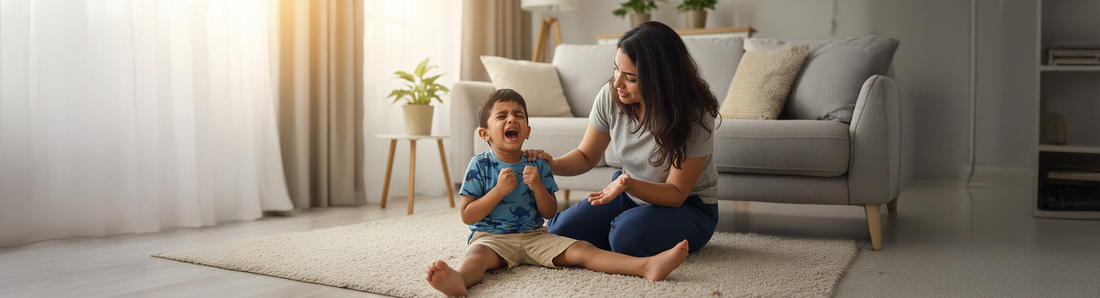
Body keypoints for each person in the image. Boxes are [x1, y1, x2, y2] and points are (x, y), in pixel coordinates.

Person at [426, 88, 689, 297]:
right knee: (476, 257)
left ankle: (646, 266)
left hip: (534, 237)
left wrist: (539, 186)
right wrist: (498, 191)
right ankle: (458, 280)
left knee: (583, 249)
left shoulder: (537, 163)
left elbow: (549, 212)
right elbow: (467, 216)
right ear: (485, 133)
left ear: (527, 130)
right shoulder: (479, 165)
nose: (511, 119)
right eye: (502, 115)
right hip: (492, 239)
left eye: (518, 115)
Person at [524, 21, 722, 258]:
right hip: (628, 194)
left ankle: (627, 228)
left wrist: (627, 184)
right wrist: (552, 164)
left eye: (630, 77)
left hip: (689, 206)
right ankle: (627, 225)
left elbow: (676, 193)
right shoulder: (612, 95)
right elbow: (587, 155)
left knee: (625, 238)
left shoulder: (694, 113)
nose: (616, 82)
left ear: (660, 80)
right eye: (616, 69)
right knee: (559, 230)